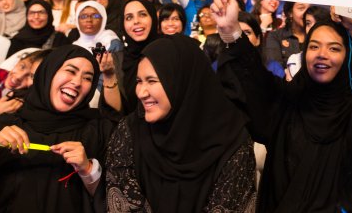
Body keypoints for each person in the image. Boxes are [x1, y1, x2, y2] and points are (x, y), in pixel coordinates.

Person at [211, 0, 352, 212]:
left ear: (345, 59)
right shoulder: (286, 105)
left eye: (334, 48)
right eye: (314, 46)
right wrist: (230, 31)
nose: (322, 53)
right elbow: (252, 78)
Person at [105, 34, 256, 212]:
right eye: (139, 81)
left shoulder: (233, 142)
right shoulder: (130, 130)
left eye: (152, 81)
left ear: (182, 82)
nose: (141, 92)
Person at [0, 45, 115, 212]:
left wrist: (88, 170)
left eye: (88, 78)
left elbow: (114, 201)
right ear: (48, 72)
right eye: (70, 71)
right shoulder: (6, 124)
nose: (77, 82)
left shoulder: (98, 130)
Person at [121, 0, 159, 114]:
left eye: (142, 14)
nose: (136, 21)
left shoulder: (168, 50)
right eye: (129, 17)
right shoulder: (121, 58)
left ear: (153, 18)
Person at [264, 2, 310, 71]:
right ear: (290, 13)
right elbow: (275, 69)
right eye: (301, 8)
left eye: (310, 9)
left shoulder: (317, 36)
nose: (307, 13)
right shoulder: (276, 36)